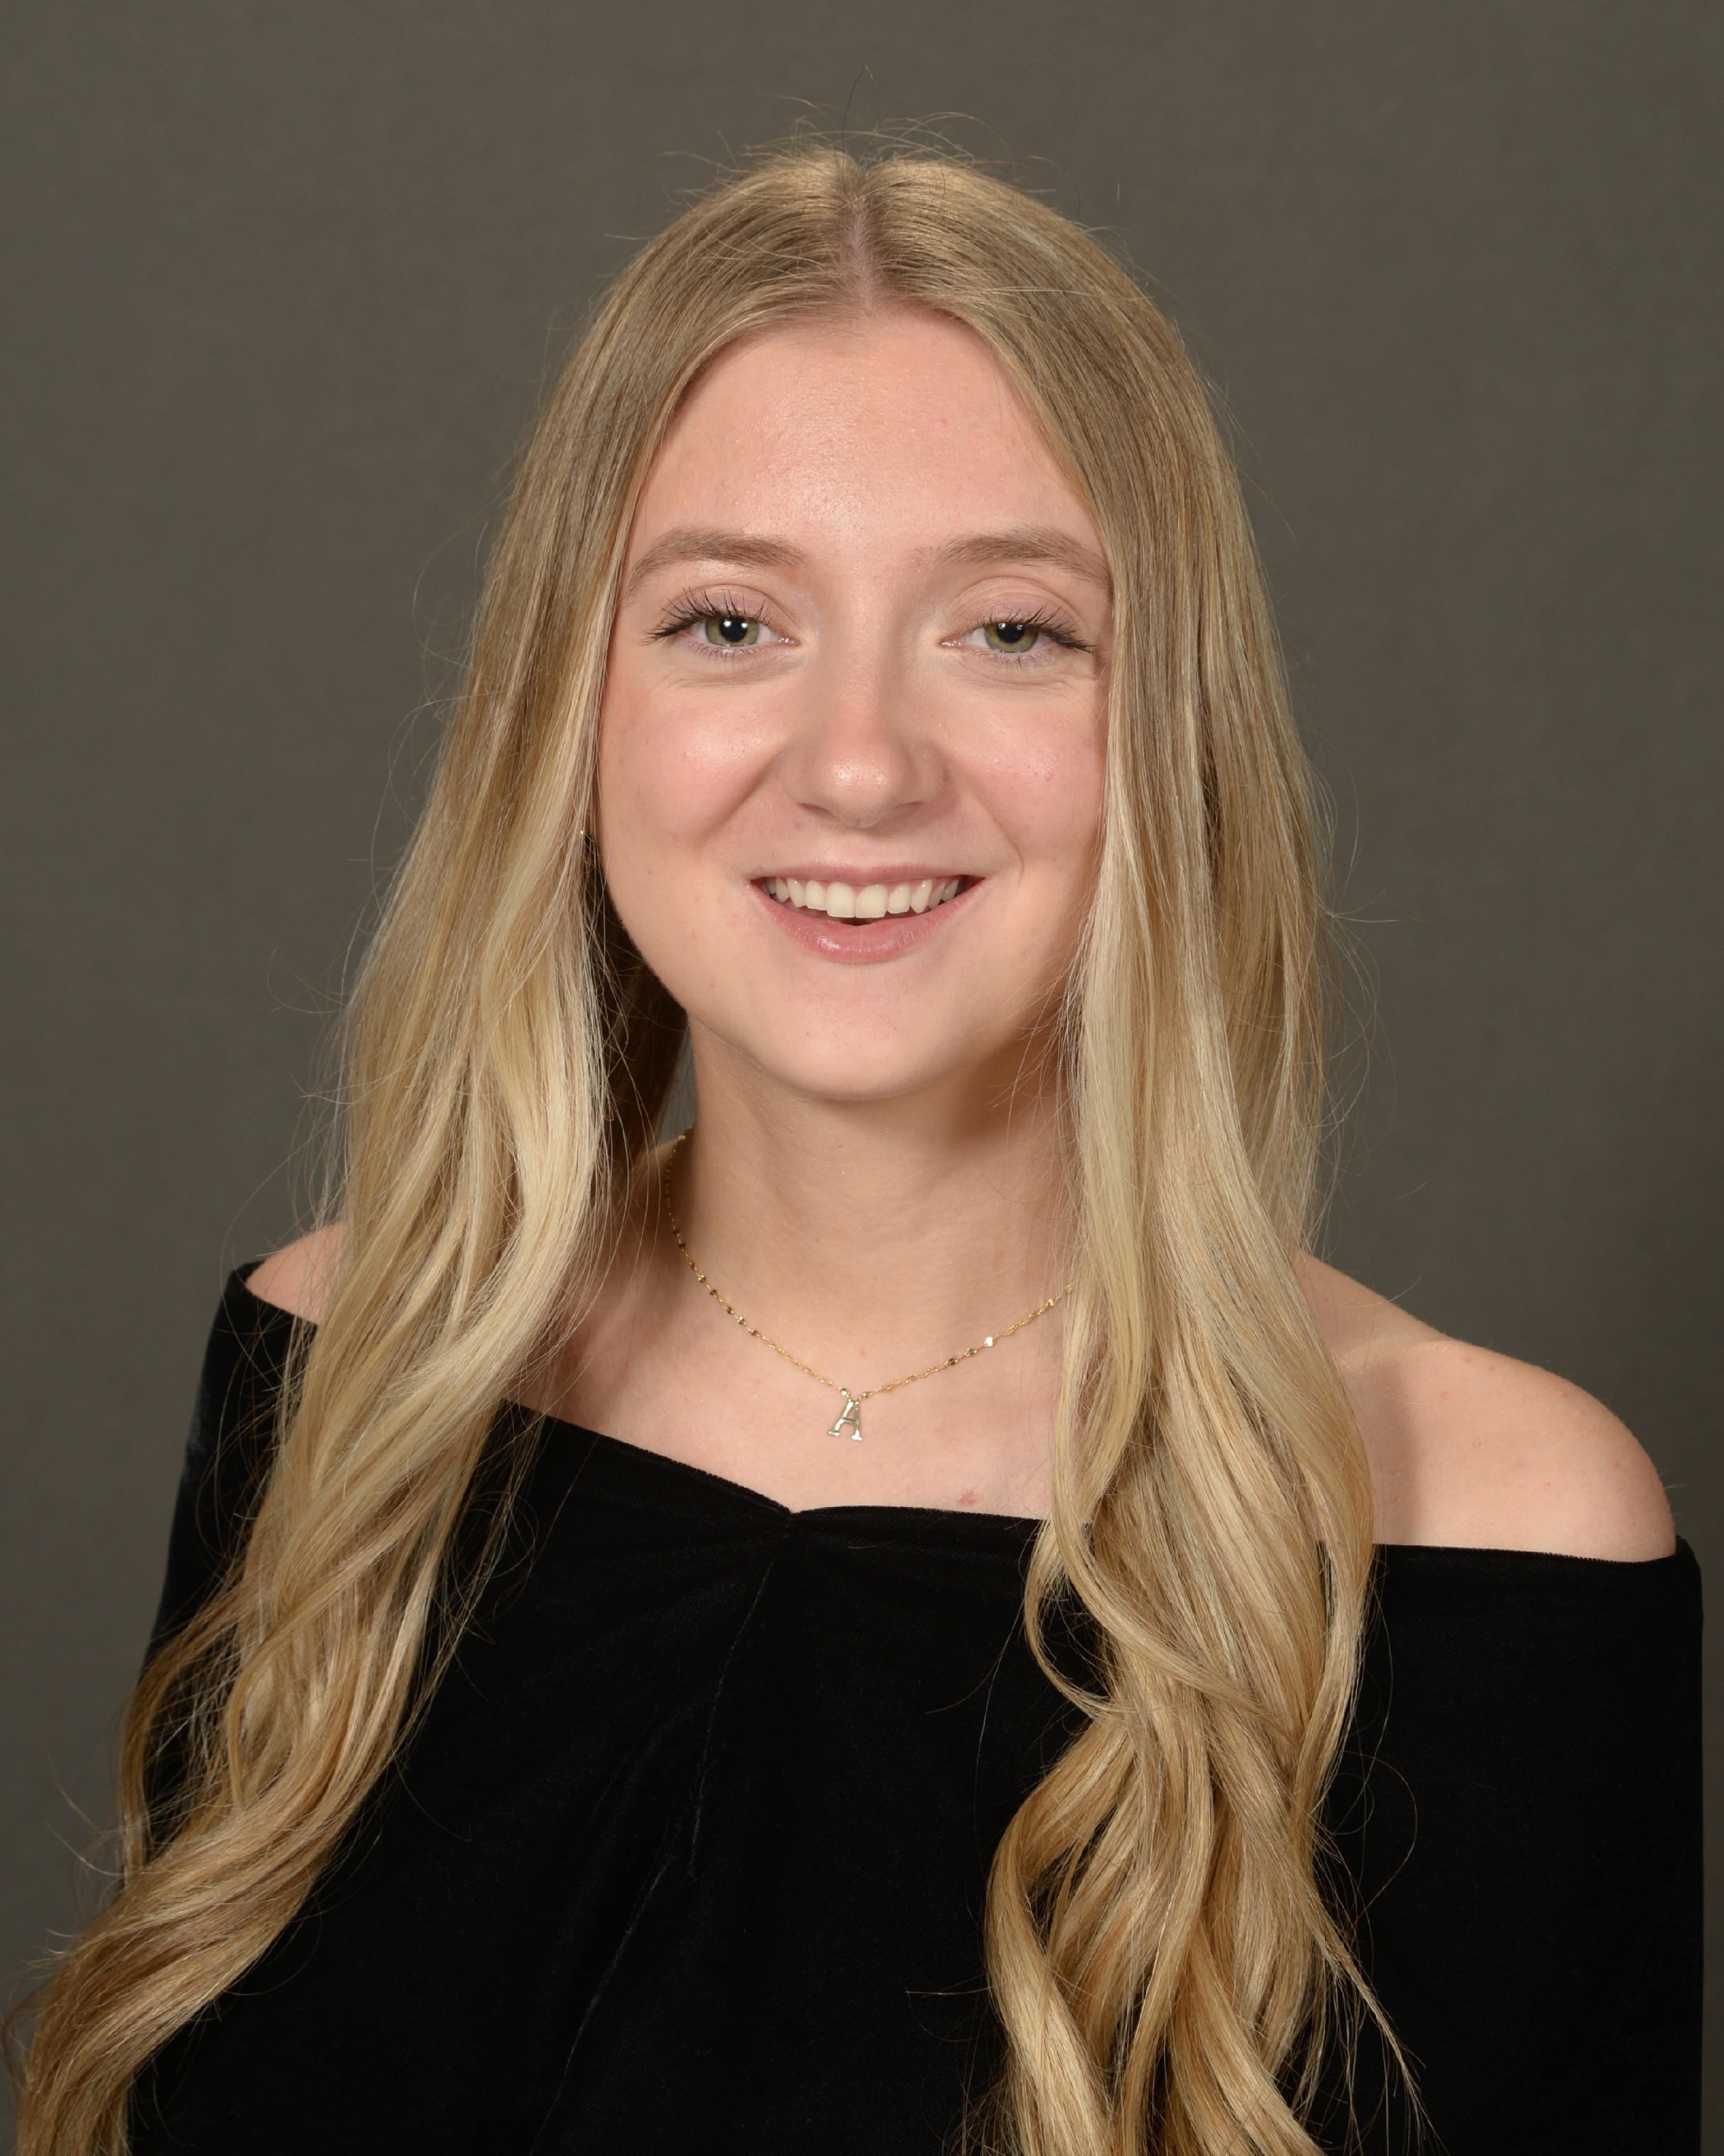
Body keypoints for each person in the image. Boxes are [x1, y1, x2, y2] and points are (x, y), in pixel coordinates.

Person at [16, 141, 1698, 2156]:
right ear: (573, 706)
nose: (860, 766)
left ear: (1171, 726)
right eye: (729, 621)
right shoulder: (355, 1375)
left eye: (1009, 631)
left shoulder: (1490, 1537)